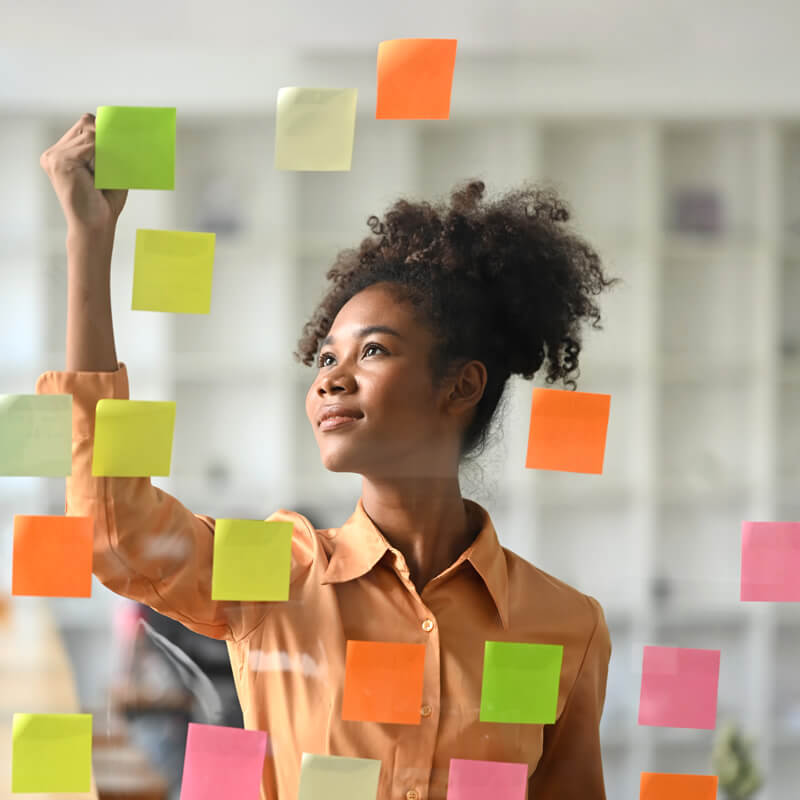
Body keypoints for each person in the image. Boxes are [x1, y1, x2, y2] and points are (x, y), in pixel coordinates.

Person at [37, 112, 622, 800]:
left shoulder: (563, 626)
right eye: (324, 357)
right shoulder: (278, 575)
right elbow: (112, 533)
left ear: (460, 385)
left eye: (372, 350)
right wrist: (89, 239)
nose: (328, 379)